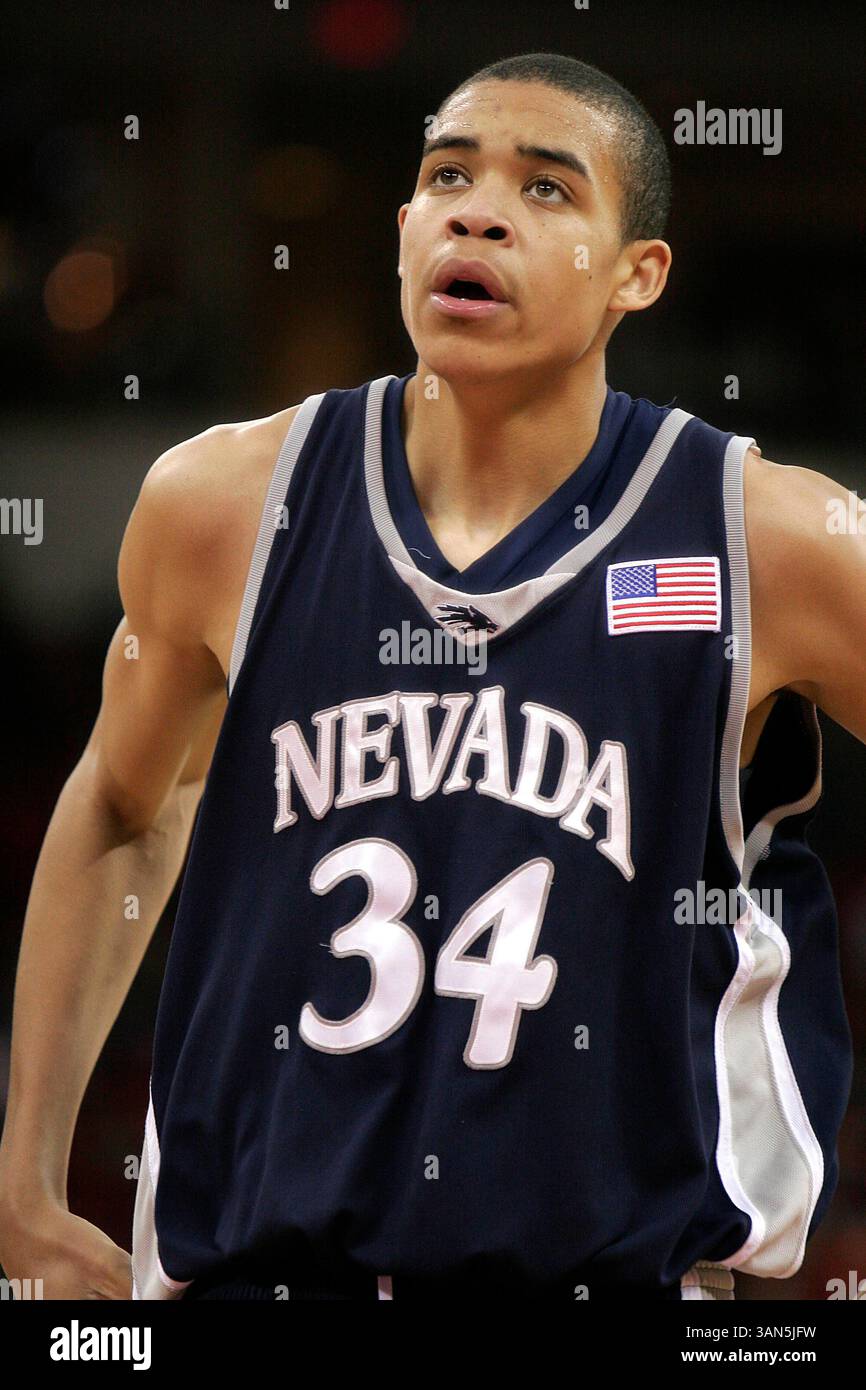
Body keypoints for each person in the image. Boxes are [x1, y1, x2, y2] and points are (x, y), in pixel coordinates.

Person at [0, 51, 861, 1303]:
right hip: (257, 1269)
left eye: (547, 189)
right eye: (446, 175)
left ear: (639, 274)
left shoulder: (769, 540)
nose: (476, 207)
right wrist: (23, 1183)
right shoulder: (221, 505)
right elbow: (122, 808)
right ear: (405, 231)